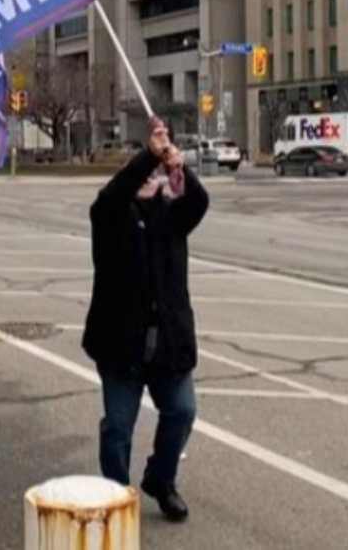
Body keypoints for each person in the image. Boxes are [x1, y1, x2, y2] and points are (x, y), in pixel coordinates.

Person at [82, 117, 209, 522]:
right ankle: (117, 495)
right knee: (118, 428)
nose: (147, 180)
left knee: (182, 411)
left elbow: (199, 202)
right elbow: (111, 196)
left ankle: (161, 479)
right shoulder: (110, 216)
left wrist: (177, 166)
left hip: (168, 342)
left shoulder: (173, 216)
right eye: (142, 173)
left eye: (153, 175)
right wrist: (145, 157)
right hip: (121, 344)